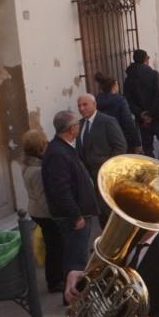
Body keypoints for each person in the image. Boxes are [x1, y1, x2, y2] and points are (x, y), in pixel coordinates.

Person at [42, 110, 98, 302]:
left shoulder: (63, 148)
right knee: (76, 258)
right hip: (73, 215)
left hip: (78, 212)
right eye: (77, 124)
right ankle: (74, 297)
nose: (79, 126)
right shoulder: (58, 153)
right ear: (70, 128)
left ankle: (74, 295)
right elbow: (61, 190)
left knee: (76, 255)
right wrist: (76, 215)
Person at [20, 130, 65, 296]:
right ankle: (55, 280)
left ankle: (55, 278)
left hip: (35, 211)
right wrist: (56, 216)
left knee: (52, 245)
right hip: (44, 213)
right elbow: (43, 198)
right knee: (54, 246)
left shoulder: (27, 164)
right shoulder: (37, 171)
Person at [124, 50, 159, 159]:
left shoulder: (128, 79)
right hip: (157, 115)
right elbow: (158, 94)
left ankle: (152, 170)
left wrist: (142, 114)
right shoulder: (153, 74)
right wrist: (150, 113)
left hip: (142, 119)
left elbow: (128, 100)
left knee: (147, 147)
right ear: (145, 59)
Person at [76, 93, 128, 182]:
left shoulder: (108, 121)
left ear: (94, 104)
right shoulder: (79, 124)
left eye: (85, 105)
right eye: (79, 106)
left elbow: (120, 147)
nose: (81, 109)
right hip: (87, 177)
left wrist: (109, 168)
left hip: (106, 175)